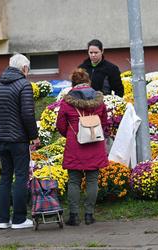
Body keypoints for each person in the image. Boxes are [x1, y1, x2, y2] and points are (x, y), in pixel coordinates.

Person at [0, 53, 40, 229]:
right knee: (20, 177)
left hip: (1, 139)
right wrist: (33, 136)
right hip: (18, 140)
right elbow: (27, 114)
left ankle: (3, 220)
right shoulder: (24, 85)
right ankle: (18, 219)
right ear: (24, 68)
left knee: (4, 178)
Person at [56, 68, 109, 226]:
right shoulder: (99, 101)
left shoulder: (67, 102)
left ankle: (73, 216)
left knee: (74, 181)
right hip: (95, 142)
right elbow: (105, 122)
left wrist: (72, 135)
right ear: (88, 82)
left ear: (73, 83)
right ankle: (89, 215)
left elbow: (60, 125)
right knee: (92, 180)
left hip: (75, 144)